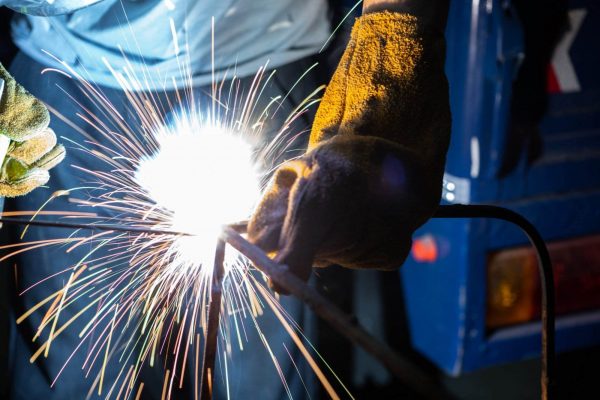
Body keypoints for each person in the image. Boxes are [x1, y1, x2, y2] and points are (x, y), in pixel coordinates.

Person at [0, 0, 451, 398]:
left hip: (267, 60)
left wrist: (396, 36)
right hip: (68, 75)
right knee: (74, 359)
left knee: (263, 358)